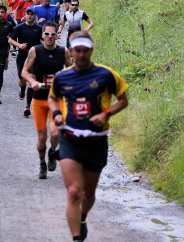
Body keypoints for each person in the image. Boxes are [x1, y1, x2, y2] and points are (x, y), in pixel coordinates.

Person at [48, 30, 128, 241]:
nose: (81, 55)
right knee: (74, 192)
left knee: (88, 193)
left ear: (91, 50)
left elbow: (123, 100)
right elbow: (53, 98)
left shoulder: (107, 75)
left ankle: (82, 216)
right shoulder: (62, 77)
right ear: (71, 51)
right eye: (77, 51)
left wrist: (106, 114)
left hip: (96, 140)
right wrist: (56, 115)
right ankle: (77, 238)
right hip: (70, 139)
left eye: (85, 50)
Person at [22, 21, 72, 179]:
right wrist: (32, 81)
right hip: (39, 99)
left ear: (57, 36)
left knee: (56, 133)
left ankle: (52, 153)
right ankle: (42, 164)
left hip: (57, 99)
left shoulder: (64, 51)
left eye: (52, 34)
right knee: (42, 137)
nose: (49, 37)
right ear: (42, 35)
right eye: (47, 34)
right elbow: (24, 71)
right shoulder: (35, 51)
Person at [8, 8, 43, 113]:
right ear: (25, 15)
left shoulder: (39, 28)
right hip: (22, 55)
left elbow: (44, 40)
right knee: (22, 79)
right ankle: (22, 89)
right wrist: (19, 45)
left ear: (35, 16)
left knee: (31, 79)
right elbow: (10, 39)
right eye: (28, 14)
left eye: (32, 14)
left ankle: (27, 106)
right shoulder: (19, 27)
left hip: (34, 57)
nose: (30, 16)